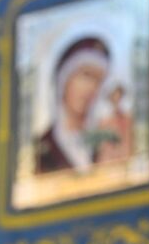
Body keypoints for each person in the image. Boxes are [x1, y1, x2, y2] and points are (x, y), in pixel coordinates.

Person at [35, 36, 110, 174]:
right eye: (86, 75)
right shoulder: (41, 149)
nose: (92, 88)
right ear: (63, 79)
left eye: (99, 81)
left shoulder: (103, 143)